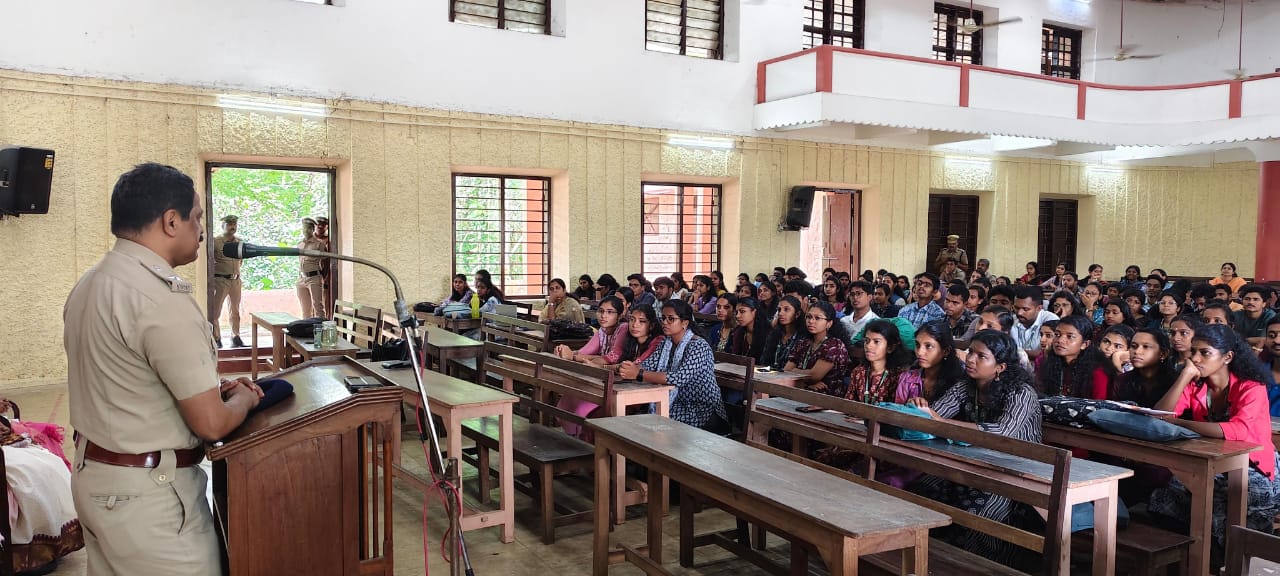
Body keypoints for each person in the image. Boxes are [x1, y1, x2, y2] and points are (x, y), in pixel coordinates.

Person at [64, 163, 263, 575]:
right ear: (171, 222)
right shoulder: (160, 299)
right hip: (149, 500)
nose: (201, 230)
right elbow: (211, 423)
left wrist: (211, 390)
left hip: (95, 479)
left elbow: (127, 380)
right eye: (197, 218)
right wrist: (243, 399)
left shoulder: (92, 283)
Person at [906, 330, 1042, 566]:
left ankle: (975, 566)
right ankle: (929, 560)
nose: (970, 359)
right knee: (922, 490)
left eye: (981, 356)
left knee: (974, 514)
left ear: (1000, 367)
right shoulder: (965, 387)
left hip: (1014, 474)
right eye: (970, 352)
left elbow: (1002, 433)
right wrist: (919, 409)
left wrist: (940, 421)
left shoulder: (1021, 393)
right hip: (974, 464)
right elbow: (936, 415)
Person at [1149, 324, 1280, 555]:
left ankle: (1226, 556)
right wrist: (1184, 376)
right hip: (1213, 462)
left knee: (1233, 506)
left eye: (1205, 353)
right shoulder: (1198, 383)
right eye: (1193, 352)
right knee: (1165, 497)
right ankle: (1195, 555)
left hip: (1253, 466)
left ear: (1227, 357)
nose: (1195, 358)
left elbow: (1239, 430)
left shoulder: (1250, 386)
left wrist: (1182, 424)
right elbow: (1159, 416)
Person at [618, 300, 727, 432]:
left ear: (684, 323)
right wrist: (628, 368)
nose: (665, 322)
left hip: (700, 408)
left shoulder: (698, 346)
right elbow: (648, 365)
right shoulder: (666, 342)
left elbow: (678, 378)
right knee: (633, 420)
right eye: (663, 318)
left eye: (671, 319)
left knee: (649, 424)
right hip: (673, 402)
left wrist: (638, 373)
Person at [785, 301, 853, 397]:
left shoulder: (834, 345)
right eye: (809, 317)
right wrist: (804, 384)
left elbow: (814, 376)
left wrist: (795, 371)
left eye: (817, 318)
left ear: (829, 323)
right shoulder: (803, 343)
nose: (811, 321)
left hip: (827, 397)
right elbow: (786, 370)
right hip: (801, 390)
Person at [896, 320, 966, 404]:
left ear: (946, 351)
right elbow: (896, 409)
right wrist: (908, 405)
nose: (920, 352)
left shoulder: (958, 383)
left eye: (928, 346)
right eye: (917, 345)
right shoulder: (907, 378)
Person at [1036, 315, 1107, 399]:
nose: (1060, 340)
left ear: (1084, 344)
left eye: (1069, 336)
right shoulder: (1048, 363)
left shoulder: (1097, 372)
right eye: (1057, 334)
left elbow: (1099, 404)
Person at [844, 319, 913, 404]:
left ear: (890, 347)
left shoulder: (899, 377)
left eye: (876, 341)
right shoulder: (858, 372)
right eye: (866, 341)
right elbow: (848, 403)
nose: (868, 346)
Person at [554, 295, 624, 366]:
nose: (603, 316)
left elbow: (612, 358)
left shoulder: (623, 328)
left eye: (610, 312)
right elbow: (584, 351)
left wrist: (574, 357)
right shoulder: (602, 331)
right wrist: (564, 352)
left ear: (620, 316)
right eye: (601, 311)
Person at [208, 214, 244, 348]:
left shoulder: (239, 242)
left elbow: (241, 261)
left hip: (235, 281)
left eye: (234, 224)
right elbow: (210, 260)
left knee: (235, 311)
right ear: (223, 225)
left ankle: (236, 337)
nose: (232, 227)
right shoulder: (215, 242)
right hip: (220, 280)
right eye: (229, 224)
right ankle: (216, 338)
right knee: (215, 311)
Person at [1011, 285, 1059, 360]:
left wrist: (1015, 353)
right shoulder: (1011, 320)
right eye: (1016, 308)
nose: (1019, 313)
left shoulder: (1051, 320)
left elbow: (1048, 353)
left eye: (1025, 309)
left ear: (1039, 308)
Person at [759, 296, 805, 370]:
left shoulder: (802, 337)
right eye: (779, 310)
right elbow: (764, 360)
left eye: (786, 309)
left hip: (789, 376)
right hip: (768, 374)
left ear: (797, 314)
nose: (780, 313)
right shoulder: (775, 334)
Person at [295, 217, 327, 318]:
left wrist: (323, 277)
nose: (306, 230)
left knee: (318, 307)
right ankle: (306, 327)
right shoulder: (300, 244)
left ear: (313, 229)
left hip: (314, 278)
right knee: (305, 310)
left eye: (308, 228)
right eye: (304, 227)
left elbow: (327, 261)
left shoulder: (319, 244)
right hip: (301, 278)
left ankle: (321, 327)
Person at [1233, 284, 1276, 348]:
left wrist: (1242, 340)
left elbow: (1263, 340)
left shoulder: (1270, 316)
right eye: (1247, 299)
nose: (1251, 302)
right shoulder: (1236, 315)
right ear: (1242, 301)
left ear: (1264, 303)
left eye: (1255, 299)